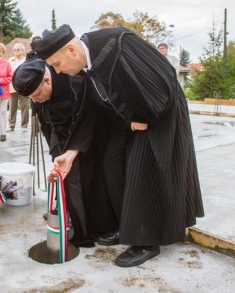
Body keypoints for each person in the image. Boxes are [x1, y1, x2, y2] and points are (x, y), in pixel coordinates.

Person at [32, 24, 204, 267]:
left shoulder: (117, 43)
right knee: (111, 163)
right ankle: (127, 226)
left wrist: (143, 115)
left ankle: (147, 240)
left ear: (71, 49)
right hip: (133, 120)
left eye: (57, 64)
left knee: (142, 167)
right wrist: (71, 153)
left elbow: (163, 75)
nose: (57, 72)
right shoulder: (82, 70)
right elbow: (89, 112)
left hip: (160, 114)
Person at [12, 55, 118, 247]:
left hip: (86, 131)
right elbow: (47, 121)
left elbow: (90, 112)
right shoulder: (38, 91)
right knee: (64, 177)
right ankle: (71, 217)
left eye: (36, 95)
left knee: (84, 178)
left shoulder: (70, 77)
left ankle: (89, 230)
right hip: (58, 131)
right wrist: (54, 149)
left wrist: (74, 148)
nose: (35, 101)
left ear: (47, 79)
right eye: (30, 98)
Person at [7, 43, 29, 132]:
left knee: (25, 106)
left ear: (23, 51)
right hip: (13, 86)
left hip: (24, 86)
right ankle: (11, 125)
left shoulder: (27, 60)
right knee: (12, 106)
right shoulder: (11, 60)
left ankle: (24, 126)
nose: (16, 51)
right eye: (15, 50)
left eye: (18, 49)